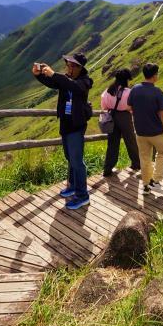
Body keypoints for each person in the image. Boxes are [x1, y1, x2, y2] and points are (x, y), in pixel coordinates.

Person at [33, 53, 93, 210]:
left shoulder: (85, 81)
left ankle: (82, 196)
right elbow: (53, 83)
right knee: (70, 158)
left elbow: (73, 86)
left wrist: (54, 74)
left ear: (80, 68)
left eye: (73, 65)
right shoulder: (66, 79)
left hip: (76, 126)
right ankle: (73, 186)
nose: (69, 67)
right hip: (66, 125)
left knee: (77, 161)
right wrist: (39, 75)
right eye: (68, 64)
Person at [127, 63, 163, 193]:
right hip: (156, 131)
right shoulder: (157, 92)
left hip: (140, 131)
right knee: (162, 152)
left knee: (144, 158)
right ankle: (155, 181)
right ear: (154, 75)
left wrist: (139, 114)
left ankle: (145, 186)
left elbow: (129, 107)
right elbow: (162, 113)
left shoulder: (135, 89)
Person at [100, 68, 140, 176]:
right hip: (124, 117)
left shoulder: (108, 90)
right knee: (130, 140)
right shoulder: (128, 92)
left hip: (111, 116)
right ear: (126, 80)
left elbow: (104, 105)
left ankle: (108, 168)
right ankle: (136, 163)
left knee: (112, 143)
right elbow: (133, 107)